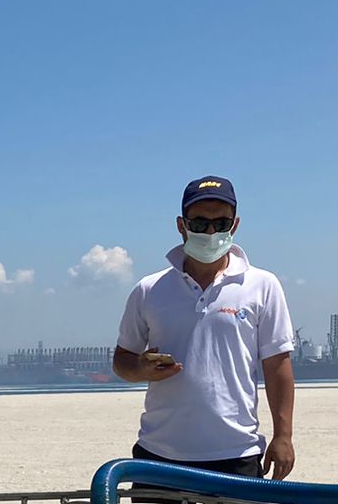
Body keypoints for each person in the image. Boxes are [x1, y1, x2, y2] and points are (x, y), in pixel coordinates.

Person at [112, 175, 296, 479]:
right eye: (200, 224)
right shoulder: (149, 289)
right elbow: (122, 359)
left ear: (234, 225)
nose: (211, 232)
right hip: (160, 453)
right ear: (181, 225)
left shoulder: (263, 285)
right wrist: (140, 369)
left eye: (221, 224)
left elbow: (278, 365)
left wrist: (283, 436)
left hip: (237, 452)